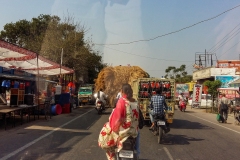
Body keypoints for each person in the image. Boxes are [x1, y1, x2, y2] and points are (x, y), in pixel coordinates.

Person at [107, 84, 140, 160]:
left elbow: (117, 119)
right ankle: (137, 154)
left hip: (123, 133)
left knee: (108, 138)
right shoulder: (136, 102)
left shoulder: (121, 102)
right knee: (138, 134)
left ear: (122, 91)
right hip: (134, 132)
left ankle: (113, 156)